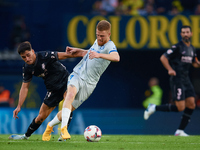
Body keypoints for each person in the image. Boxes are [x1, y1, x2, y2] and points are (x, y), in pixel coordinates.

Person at [42, 20, 120, 141]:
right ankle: (63, 130)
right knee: (70, 94)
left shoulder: (110, 46)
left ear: (109, 34)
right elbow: (88, 53)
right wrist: (77, 51)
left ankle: (49, 126)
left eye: (102, 36)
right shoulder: (97, 41)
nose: (99, 38)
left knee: (65, 111)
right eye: (97, 35)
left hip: (90, 84)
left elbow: (116, 57)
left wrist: (100, 55)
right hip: (78, 74)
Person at [8, 41, 78, 140]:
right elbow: (25, 87)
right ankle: (25, 136)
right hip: (53, 89)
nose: (27, 59)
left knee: (68, 104)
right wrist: (19, 106)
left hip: (66, 81)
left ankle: (63, 134)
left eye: (28, 55)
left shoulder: (44, 56)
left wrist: (84, 53)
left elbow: (66, 55)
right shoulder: (27, 68)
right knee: (40, 117)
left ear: (33, 51)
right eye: (24, 57)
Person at [144, 25, 200, 136]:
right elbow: (163, 57)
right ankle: (153, 107)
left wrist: (197, 63)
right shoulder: (177, 47)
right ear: (181, 34)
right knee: (180, 107)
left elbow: (194, 62)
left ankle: (179, 131)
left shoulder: (192, 48)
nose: (185, 34)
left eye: (187, 32)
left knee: (192, 104)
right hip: (177, 79)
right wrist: (170, 69)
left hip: (186, 79)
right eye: (183, 32)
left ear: (191, 34)